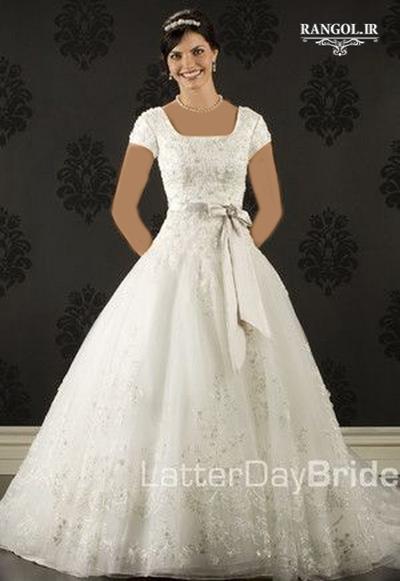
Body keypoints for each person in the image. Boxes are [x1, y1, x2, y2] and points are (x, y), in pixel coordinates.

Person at [0, 7, 400, 581]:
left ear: (215, 54)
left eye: (196, 51)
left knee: (251, 387)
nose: (187, 63)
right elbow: (123, 207)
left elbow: (272, 205)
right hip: (172, 266)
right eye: (176, 56)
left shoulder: (250, 123)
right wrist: (163, 262)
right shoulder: (152, 123)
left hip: (237, 262)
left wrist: (239, 256)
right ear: (167, 66)